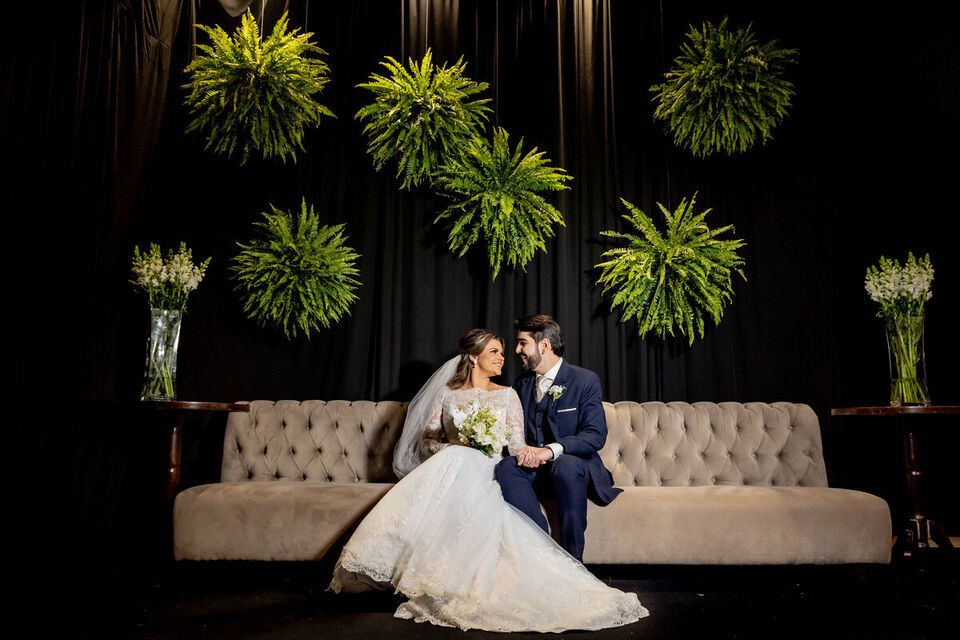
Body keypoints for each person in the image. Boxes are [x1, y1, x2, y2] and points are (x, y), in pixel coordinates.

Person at [329, 328, 648, 632]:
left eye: (504, 353)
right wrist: (456, 445)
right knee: (453, 465)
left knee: (484, 476)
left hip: (489, 466)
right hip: (450, 463)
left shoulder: (508, 395)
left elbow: (517, 444)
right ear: (473, 356)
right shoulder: (447, 394)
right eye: (494, 352)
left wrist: (534, 454)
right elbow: (427, 442)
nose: (502, 358)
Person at [495, 315, 621, 562]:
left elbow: (595, 435)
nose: (517, 350)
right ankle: (542, 547)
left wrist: (551, 450)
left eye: (523, 343)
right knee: (507, 466)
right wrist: (524, 451)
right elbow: (515, 430)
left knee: (567, 465)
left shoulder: (584, 380)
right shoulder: (522, 384)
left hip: (572, 467)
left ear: (544, 345)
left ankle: (574, 561)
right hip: (537, 470)